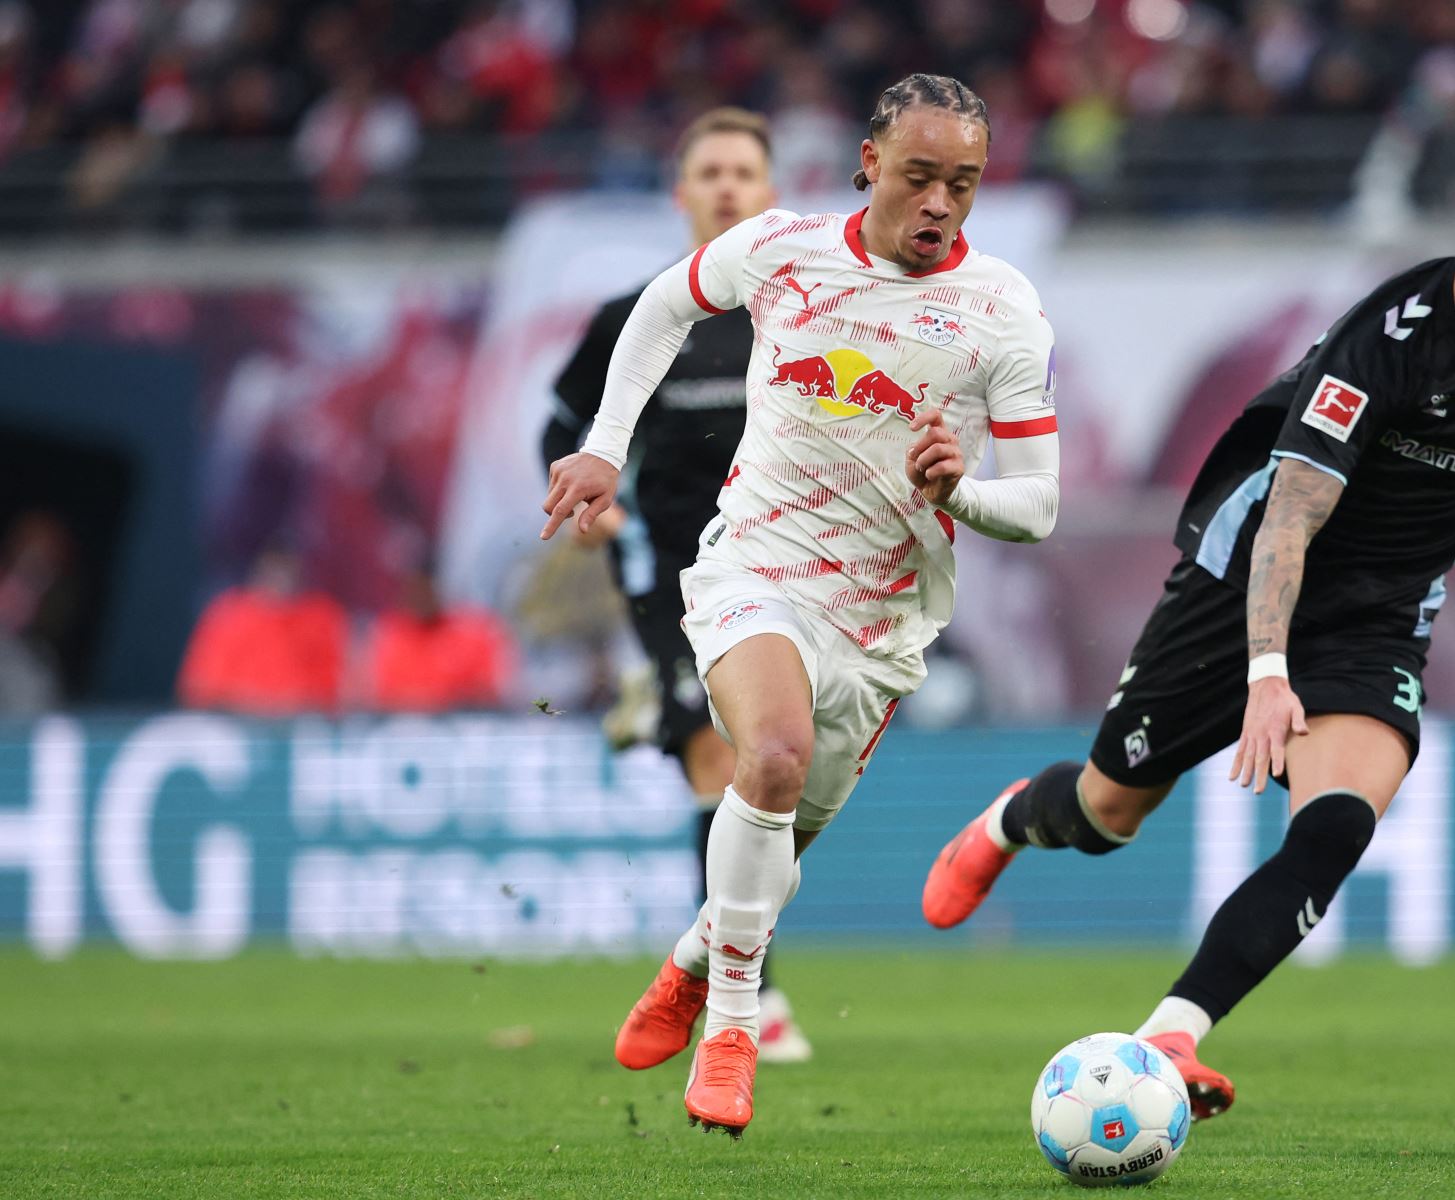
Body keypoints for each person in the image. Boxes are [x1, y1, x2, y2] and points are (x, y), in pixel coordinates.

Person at [921, 140, 1455, 1119]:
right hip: (1244, 582)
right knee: (1109, 812)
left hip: (1377, 620)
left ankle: (1171, 1034)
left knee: (1334, 828)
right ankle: (1012, 819)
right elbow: (1291, 516)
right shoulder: (1384, 346)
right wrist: (1269, 671)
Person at [540, 73, 1060, 1135]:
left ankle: (693, 960)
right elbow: (662, 305)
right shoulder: (785, 250)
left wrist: (960, 490)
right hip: (755, 568)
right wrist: (601, 446)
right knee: (763, 758)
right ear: (870, 163)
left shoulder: (1001, 309)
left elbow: (1041, 507)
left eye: (962, 183)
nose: (939, 204)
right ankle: (734, 1027)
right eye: (919, 177)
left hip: (882, 619)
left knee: (778, 840)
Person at [541, 106, 812, 1063]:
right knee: (720, 756)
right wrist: (594, 504)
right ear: (683, 193)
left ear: (772, 192)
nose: (730, 187)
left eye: (746, 170)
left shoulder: (805, 309)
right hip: (675, 568)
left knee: (777, 770)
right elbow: (563, 429)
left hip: (793, 569)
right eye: (712, 172)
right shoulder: (637, 315)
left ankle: (722, 969)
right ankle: (755, 998)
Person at [177, 545, 348, 715]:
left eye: (286, 571)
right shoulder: (229, 615)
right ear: (257, 574)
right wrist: (250, 703)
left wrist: (293, 704)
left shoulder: (320, 617)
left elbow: (336, 688)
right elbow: (200, 688)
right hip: (236, 724)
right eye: (272, 571)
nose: (280, 580)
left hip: (304, 725)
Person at [358, 564, 513, 712]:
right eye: (416, 589)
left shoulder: (474, 631)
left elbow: (490, 695)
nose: (421, 596)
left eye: (427, 589)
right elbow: (376, 697)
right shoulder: (389, 634)